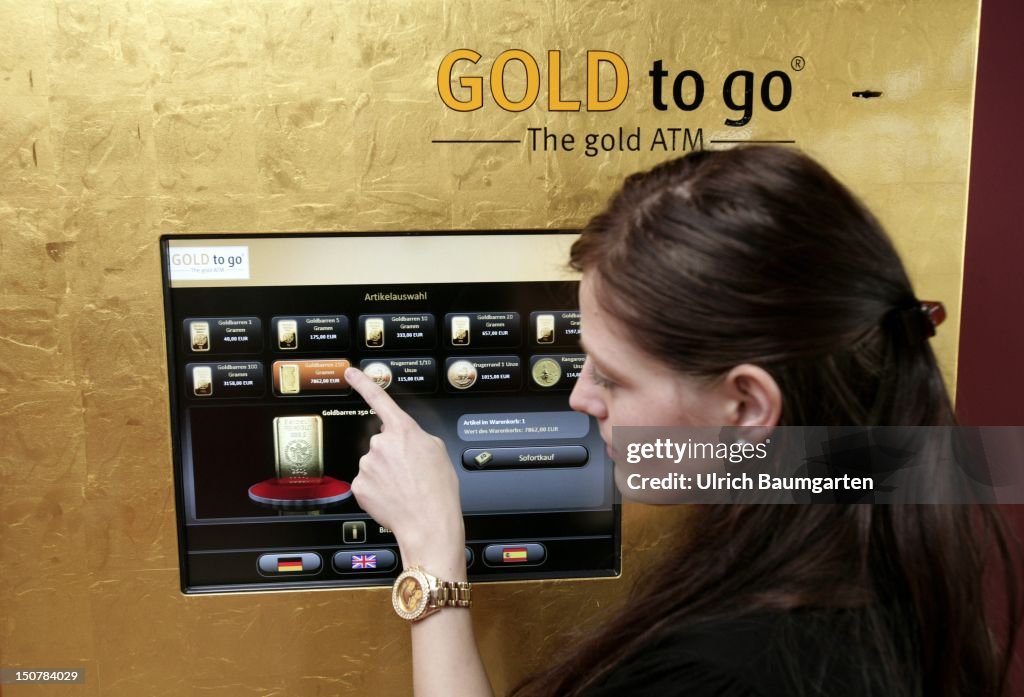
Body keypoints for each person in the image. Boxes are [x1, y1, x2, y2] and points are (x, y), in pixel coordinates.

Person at [343, 146, 1020, 697]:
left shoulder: (722, 672)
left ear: (748, 407)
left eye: (612, 375)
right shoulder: (897, 563)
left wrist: (432, 556)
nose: (581, 397)